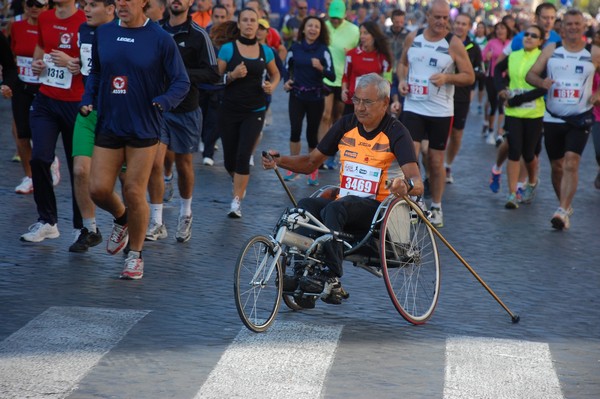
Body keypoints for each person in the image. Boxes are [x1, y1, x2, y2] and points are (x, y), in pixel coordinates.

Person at [262, 73, 423, 306]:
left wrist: (404, 186)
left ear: (385, 103)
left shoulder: (397, 132)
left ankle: (331, 276)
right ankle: (302, 274)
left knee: (337, 207)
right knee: (306, 206)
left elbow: (418, 184)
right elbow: (310, 162)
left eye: (367, 102)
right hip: (345, 202)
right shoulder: (346, 124)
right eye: (356, 100)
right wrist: (279, 161)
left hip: (376, 211)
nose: (360, 107)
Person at [80, 0, 190, 279]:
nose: (122, 4)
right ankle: (123, 219)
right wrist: (87, 99)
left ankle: (135, 255)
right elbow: (95, 72)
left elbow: (181, 81)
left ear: (144, 2)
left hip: (144, 127)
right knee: (97, 189)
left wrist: (164, 101)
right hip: (109, 122)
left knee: (133, 190)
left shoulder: (161, 39)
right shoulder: (103, 33)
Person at [145, 0, 219, 243]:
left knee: (184, 165)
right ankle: (156, 221)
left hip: (186, 109)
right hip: (159, 108)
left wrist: (181, 74)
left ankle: (186, 213)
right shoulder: (155, 29)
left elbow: (212, 72)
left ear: (190, 3)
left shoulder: (198, 35)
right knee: (155, 163)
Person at [397, 0, 474, 228]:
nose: (442, 22)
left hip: (441, 111)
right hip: (414, 106)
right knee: (411, 155)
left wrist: (447, 78)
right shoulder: (414, 37)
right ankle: (414, 201)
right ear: (427, 16)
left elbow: (469, 76)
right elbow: (402, 64)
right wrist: (402, 81)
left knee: (435, 159)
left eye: (445, 18)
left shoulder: (454, 43)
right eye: (437, 17)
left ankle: (437, 206)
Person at [526, 9, 600, 230]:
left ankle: (561, 209)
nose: (573, 27)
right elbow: (530, 74)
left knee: (571, 162)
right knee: (557, 166)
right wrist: (542, 83)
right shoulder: (552, 50)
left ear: (584, 26)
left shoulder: (593, 52)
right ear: (562, 27)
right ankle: (564, 206)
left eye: (577, 24)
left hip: (580, 118)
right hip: (553, 117)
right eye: (569, 24)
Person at [20, 0, 87, 243]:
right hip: (46, 99)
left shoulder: (85, 19)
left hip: (75, 102)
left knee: (77, 169)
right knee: (39, 158)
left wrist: (74, 64)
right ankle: (47, 221)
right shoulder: (46, 18)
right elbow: (41, 46)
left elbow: (94, 59)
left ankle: (82, 227)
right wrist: (38, 64)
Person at [216, 7, 280, 218]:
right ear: (240, 23)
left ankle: (236, 201)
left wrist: (272, 86)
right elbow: (216, 78)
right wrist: (232, 75)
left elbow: (275, 74)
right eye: (245, 20)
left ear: (258, 24)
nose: (250, 24)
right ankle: (238, 183)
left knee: (244, 156)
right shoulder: (227, 49)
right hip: (229, 110)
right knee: (229, 161)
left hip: (255, 110)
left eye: (253, 20)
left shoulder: (265, 51)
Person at [68, 0, 115, 253]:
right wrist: (72, 63)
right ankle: (90, 228)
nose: (85, 9)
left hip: (118, 115)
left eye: (92, 4)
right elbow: (88, 68)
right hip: (88, 111)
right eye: (84, 4)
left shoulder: (122, 32)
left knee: (126, 180)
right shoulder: (83, 30)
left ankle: (125, 222)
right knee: (80, 171)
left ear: (111, 8)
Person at [2, 0, 54, 196]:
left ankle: (51, 162)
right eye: (30, 3)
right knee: (22, 133)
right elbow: (12, 59)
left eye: (39, 5)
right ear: (24, 6)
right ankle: (29, 176)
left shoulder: (50, 28)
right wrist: (8, 83)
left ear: (47, 8)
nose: (34, 8)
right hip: (22, 85)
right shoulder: (16, 27)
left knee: (39, 132)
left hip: (43, 87)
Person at [494, 25, 546, 209]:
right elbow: (496, 70)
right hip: (513, 113)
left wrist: (518, 99)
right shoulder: (514, 55)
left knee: (529, 153)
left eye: (534, 36)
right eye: (527, 34)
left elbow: (543, 87)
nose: (529, 37)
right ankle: (512, 194)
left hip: (534, 113)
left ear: (540, 41)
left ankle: (532, 181)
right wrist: (501, 89)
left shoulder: (542, 59)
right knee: (514, 151)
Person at [282, 15, 334, 185]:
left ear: (320, 31)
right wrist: (287, 81)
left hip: (315, 97)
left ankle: (312, 170)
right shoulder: (295, 48)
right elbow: (285, 68)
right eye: (310, 26)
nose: (313, 29)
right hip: (296, 95)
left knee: (312, 136)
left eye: (316, 27)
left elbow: (332, 76)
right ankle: (292, 168)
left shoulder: (324, 50)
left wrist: (321, 68)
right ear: (303, 29)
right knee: (295, 130)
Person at [317, 0, 359, 170]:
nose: (334, 20)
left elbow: (358, 52)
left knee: (338, 118)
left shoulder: (354, 30)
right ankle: (321, 153)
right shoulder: (323, 26)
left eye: (338, 17)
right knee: (325, 116)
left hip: (343, 80)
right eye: (332, 17)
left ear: (344, 15)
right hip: (325, 78)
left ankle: (333, 152)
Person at [444, 13, 482, 184]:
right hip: (441, 95)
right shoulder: (444, 42)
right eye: (457, 23)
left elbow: (480, 73)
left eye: (464, 24)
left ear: (469, 27)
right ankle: (434, 167)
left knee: (457, 135)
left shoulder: (473, 48)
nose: (460, 26)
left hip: (461, 97)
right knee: (438, 134)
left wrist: (472, 91)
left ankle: (447, 165)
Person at [341, 21, 392, 116]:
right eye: (360, 33)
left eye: (366, 33)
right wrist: (344, 90)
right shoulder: (351, 54)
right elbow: (345, 76)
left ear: (374, 35)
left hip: (372, 104)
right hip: (352, 102)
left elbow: (388, 82)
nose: (362, 36)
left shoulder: (383, 57)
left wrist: (384, 103)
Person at [482, 21, 512, 146]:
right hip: (492, 77)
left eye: (503, 28)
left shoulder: (511, 43)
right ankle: (490, 131)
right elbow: (483, 57)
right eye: (498, 29)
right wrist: (487, 57)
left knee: (502, 105)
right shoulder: (491, 43)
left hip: (506, 78)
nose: (500, 31)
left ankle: (499, 133)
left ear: (507, 30)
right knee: (493, 104)